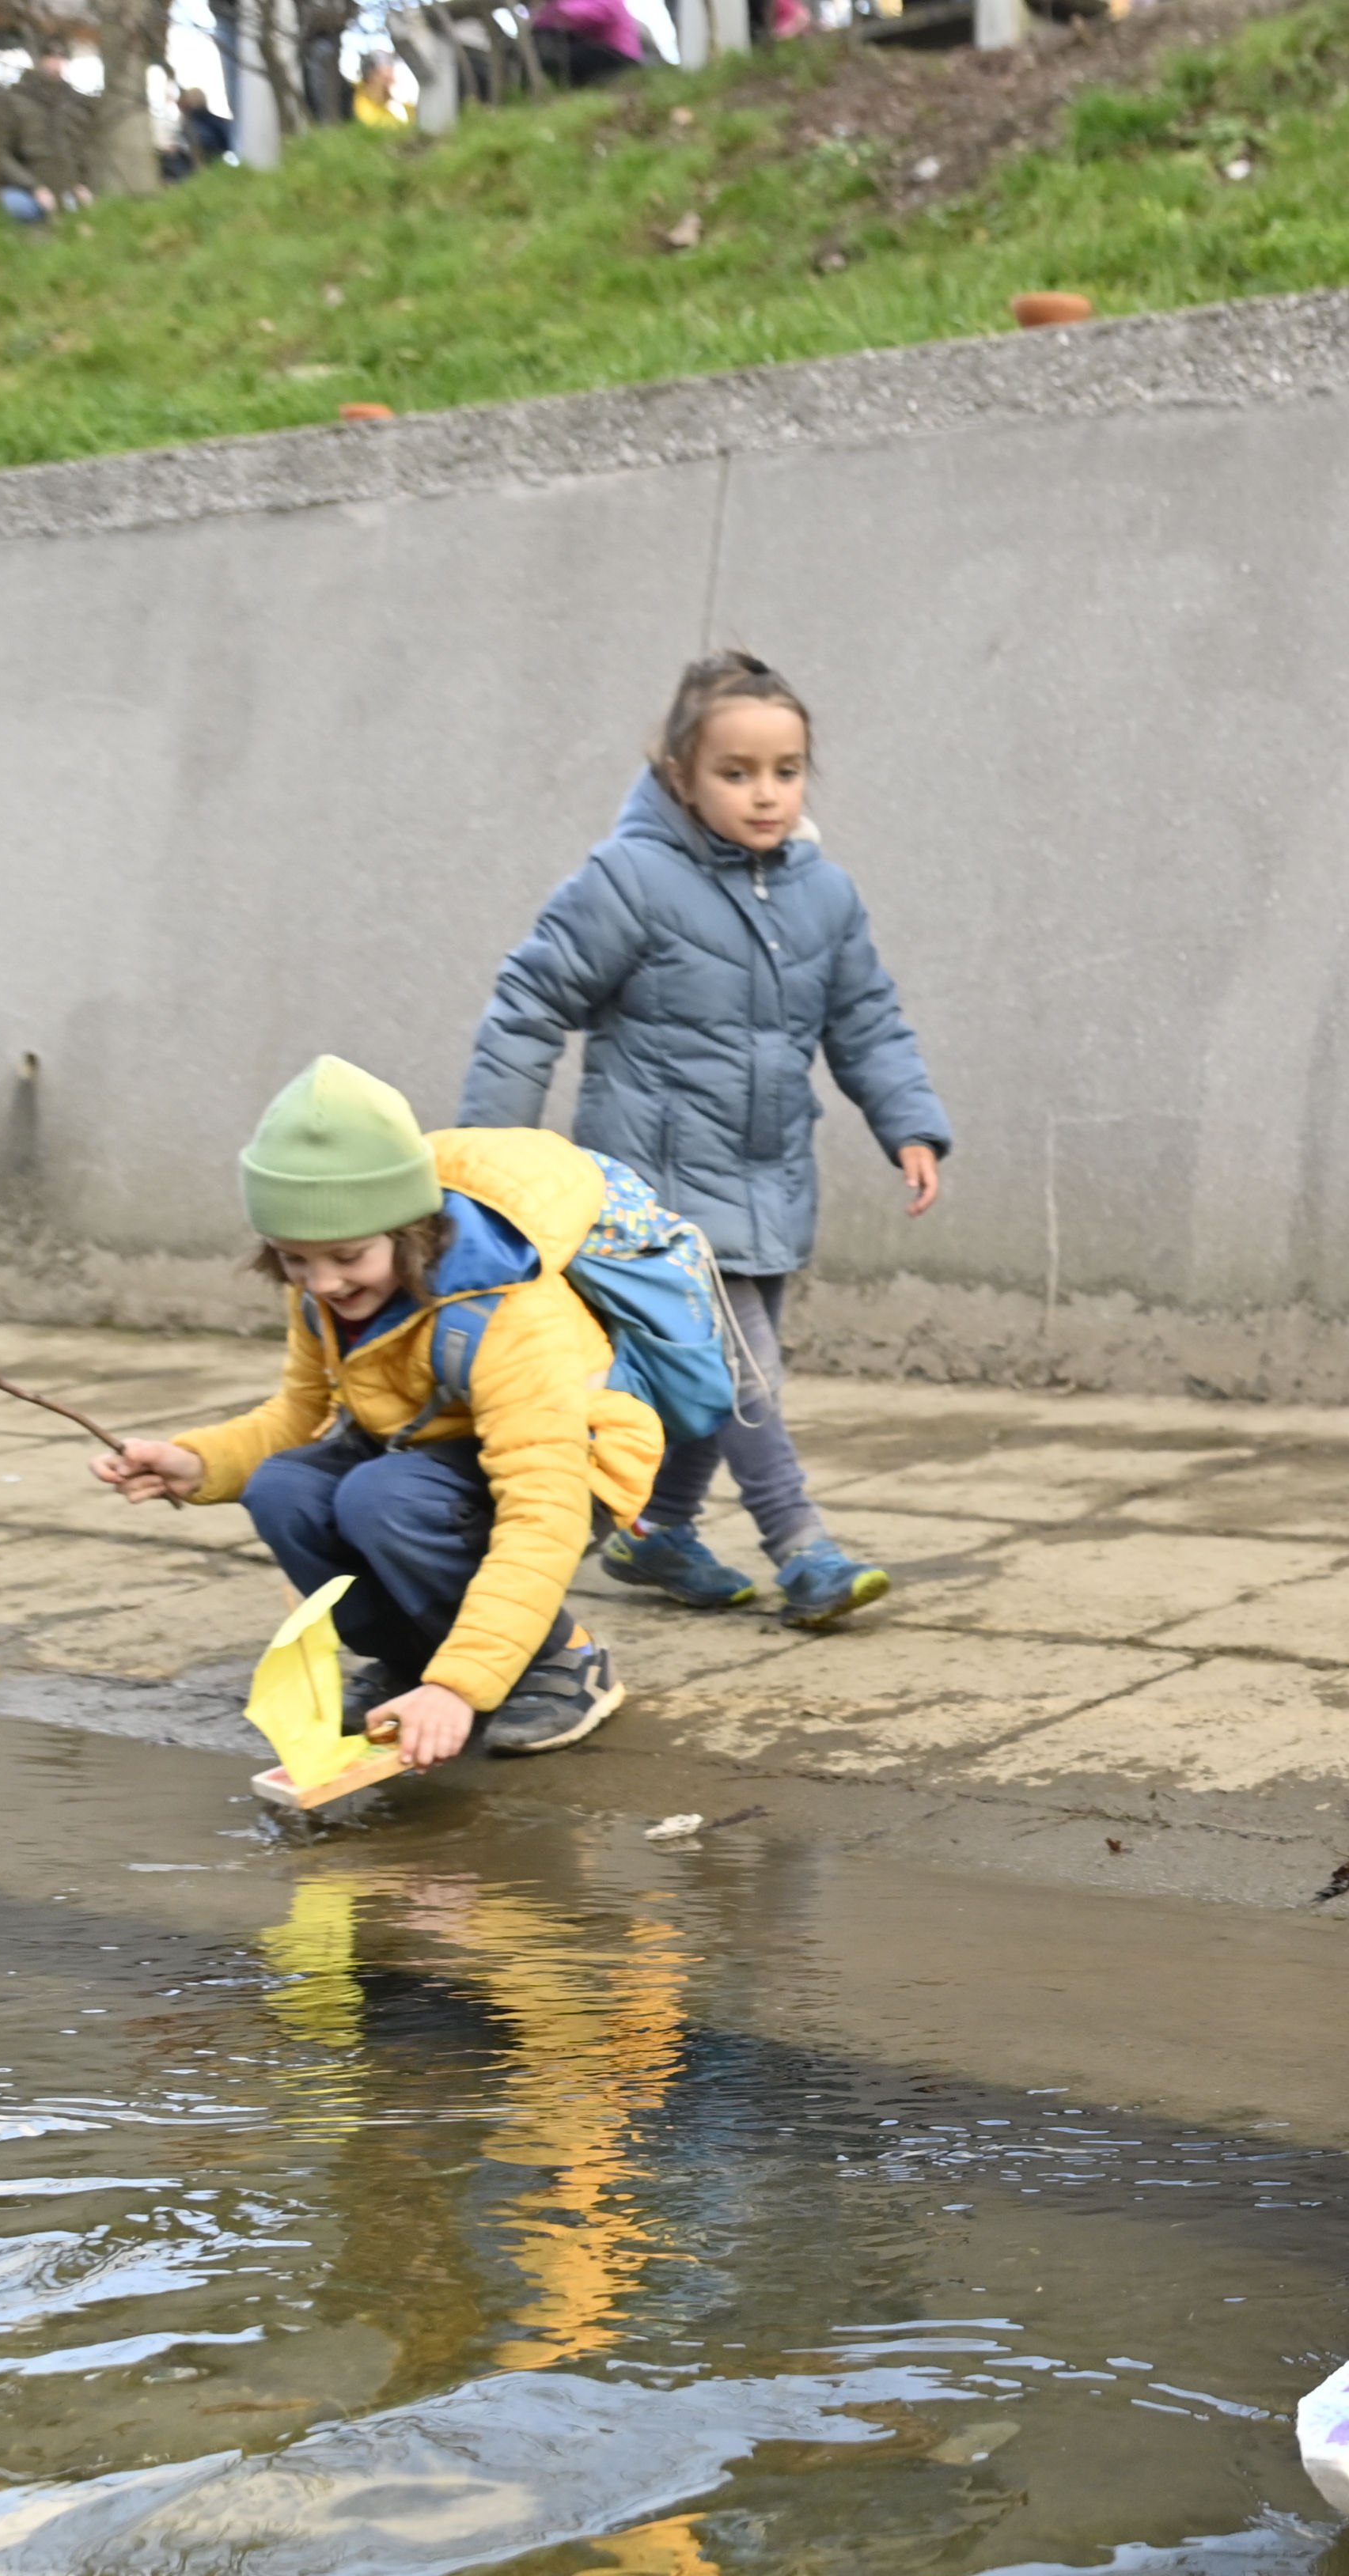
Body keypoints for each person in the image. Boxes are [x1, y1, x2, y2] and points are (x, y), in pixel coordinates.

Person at [463, 648, 948, 1630]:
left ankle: (658, 1530)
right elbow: (528, 1003)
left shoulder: (824, 895)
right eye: (737, 772)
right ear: (681, 776)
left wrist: (909, 1123)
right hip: (658, 1190)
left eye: (786, 770)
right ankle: (802, 1547)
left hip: (769, 1180)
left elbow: (866, 1020)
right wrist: (490, 1159)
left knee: (704, 1375)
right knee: (741, 1371)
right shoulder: (631, 880)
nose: (766, 794)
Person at [89, 1057, 653, 1763]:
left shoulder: (508, 1313)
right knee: (283, 1487)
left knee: (381, 1497)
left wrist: (462, 1685)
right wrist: (197, 1462)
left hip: (572, 1469)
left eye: (347, 1256)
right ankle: (410, 1659)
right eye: (293, 1259)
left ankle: (564, 1661)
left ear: (408, 1231)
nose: (322, 1282)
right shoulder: (322, 1292)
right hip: (429, 1459)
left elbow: (545, 1507)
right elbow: (298, 1416)